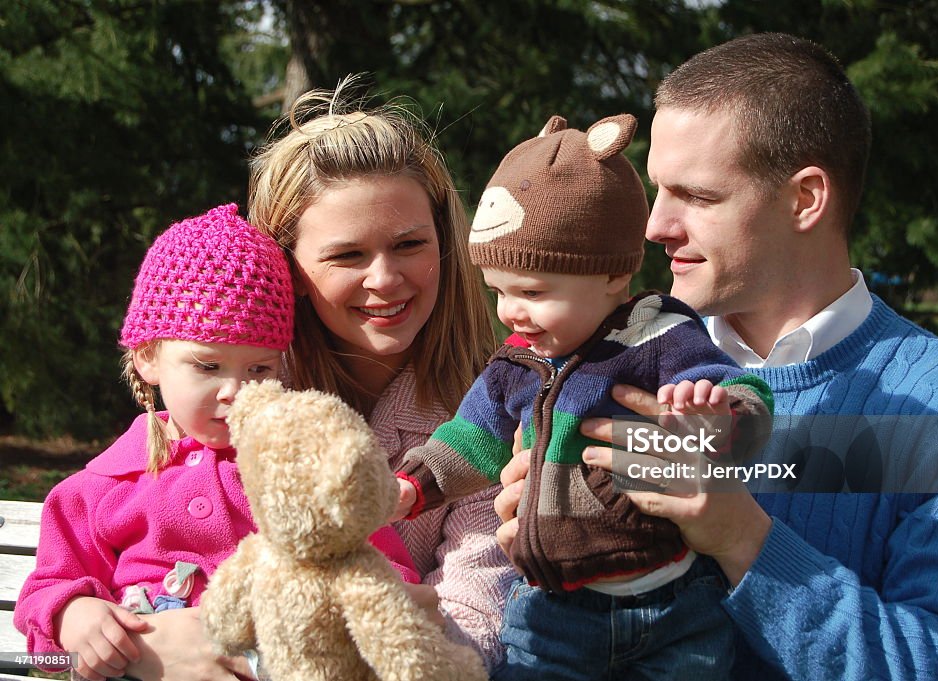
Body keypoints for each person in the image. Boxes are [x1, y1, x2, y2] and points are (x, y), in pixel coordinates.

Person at [495, 33, 938, 680]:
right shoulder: (601, 357)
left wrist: (743, 537)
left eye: (697, 196)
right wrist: (537, 550)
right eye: (657, 189)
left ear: (805, 198)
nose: (654, 226)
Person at [122, 82, 517, 679]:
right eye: (346, 256)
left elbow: (478, 610)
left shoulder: (487, 405)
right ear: (292, 268)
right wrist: (154, 640)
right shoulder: (238, 393)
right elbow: (131, 546)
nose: (385, 279)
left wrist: (371, 622)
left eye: (409, 244)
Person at [394, 112, 773, 680]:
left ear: (612, 278)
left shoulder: (659, 336)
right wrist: (414, 485)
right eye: (497, 290)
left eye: (532, 291)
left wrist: (720, 413)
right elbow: (471, 437)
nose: (510, 312)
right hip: (554, 608)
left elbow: (734, 388)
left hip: (674, 601)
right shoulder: (515, 364)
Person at [14, 205, 421, 681]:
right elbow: (47, 600)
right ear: (148, 357)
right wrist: (74, 616)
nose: (235, 390)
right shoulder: (102, 487)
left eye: (260, 368)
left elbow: (387, 571)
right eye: (208, 366)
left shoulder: (299, 473)